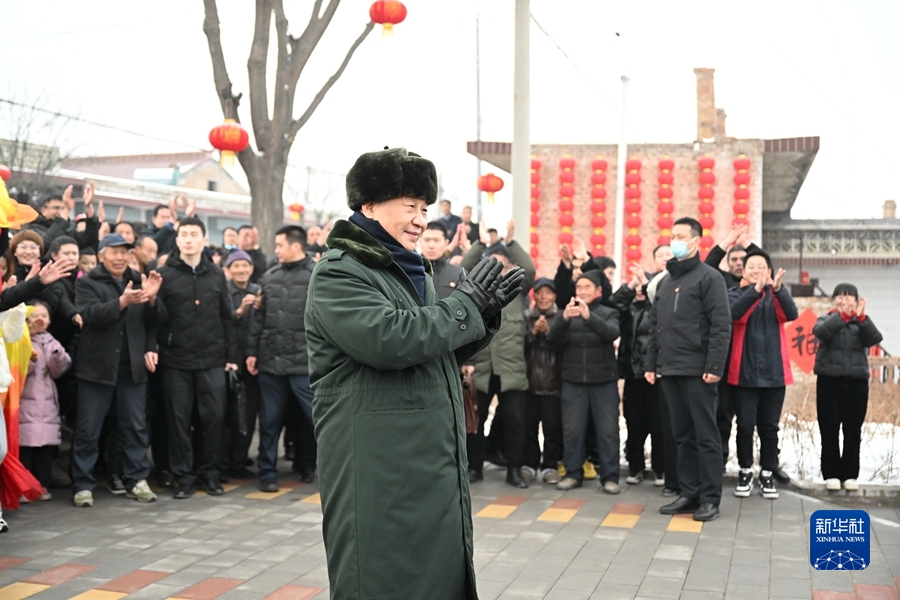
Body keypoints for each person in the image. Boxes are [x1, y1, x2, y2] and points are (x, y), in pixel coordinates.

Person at [306, 147, 523, 599]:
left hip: (426, 457)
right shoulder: (340, 271)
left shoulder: (411, 271)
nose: (421, 220)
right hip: (378, 463)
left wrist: (483, 313)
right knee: (382, 576)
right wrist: (464, 305)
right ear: (368, 205)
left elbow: (432, 346)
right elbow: (390, 340)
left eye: (424, 209)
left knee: (433, 577)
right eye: (410, 207)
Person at [645, 217, 731, 522]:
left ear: (696, 242)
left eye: (680, 236)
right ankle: (689, 492)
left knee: (705, 435)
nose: (674, 241)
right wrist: (652, 364)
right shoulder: (666, 282)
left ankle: (710, 497)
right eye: (672, 236)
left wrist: (714, 366)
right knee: (681, 435)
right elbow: (655, 326)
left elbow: (721, 326)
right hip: (670, 370)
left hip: (699, 371)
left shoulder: (709, 278)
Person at [70, 234, 165, 507]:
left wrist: (154, 300)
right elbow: (90, 316)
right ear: (101, 255)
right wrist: (121, 302)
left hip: (132, 367)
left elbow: (155, 322)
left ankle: (136, 479)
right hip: (96, 368)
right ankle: (83, 484)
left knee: (135, 426)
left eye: (125, 252)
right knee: (88, 429)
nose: (120, 257)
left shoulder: (139, 278)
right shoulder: (87, 282)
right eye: (114, 252)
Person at [157, 217, 239, 499]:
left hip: (212, 359)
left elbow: (227, 316)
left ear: (204, 240)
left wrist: (231, 355)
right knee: (178, 421)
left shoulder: (216, 274)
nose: (189, 239)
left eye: (194, 234)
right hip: (175, 360)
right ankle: (184, 477)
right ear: (177, 239)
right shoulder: (164, 274)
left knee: (214, 418)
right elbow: (155, 319)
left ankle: (211, 474)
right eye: (184, 234)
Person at [246, 225, 316, 491]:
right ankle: (267, 474)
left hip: (304, 363)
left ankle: (314, 466)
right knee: (269, 421)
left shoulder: (315, 276)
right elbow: (258, 319)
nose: (275, 251)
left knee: (316, 420)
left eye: (279, 245)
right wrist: (252, 352)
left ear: (295, 246)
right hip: (271, 362)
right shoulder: (269, 276)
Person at [462, 240, 536, 489]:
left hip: (512, 370)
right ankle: (474, 467)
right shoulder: (476, 292)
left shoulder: (518, 291)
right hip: (480, 369)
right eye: (492, 266)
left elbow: (529, 269)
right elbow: (465, 266)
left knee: (515, 421)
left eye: (503, 267)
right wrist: (480, 243)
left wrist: (512, 242)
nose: (498, 271)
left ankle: (514, 470)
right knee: (475, 420)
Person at [727, 249, 797, 500]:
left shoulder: (775, 294)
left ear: (769, 270)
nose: (756, 270)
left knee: (769, 427)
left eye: (761, 266)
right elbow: (734, 315)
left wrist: (778, 290)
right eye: (752, 266)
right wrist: (755, 291)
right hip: (743, 373)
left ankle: (767, 473)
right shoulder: (735, 293)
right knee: (745, 425)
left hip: (774, 374)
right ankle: (745, 471)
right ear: (743, 271)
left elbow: (791, 314)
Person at [549, 271, 621, 494]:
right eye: (579, 287)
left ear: (598, 291)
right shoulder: (566, 314)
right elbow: (553, 340)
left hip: (604, 382)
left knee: (608, 432)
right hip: (573, 381)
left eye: (587, 287)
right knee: (572, 431)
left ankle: (610, 477)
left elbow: (612, 333)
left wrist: (590, 317)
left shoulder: (609, 313)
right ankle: (573, 474)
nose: (582, 291)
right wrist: (563, 320)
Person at [813, 283, 883, 492]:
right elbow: (822, 333)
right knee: (829, 428)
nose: (845, 300)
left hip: (856, 383)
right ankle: (832, 473)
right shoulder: (826, 319)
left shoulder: (861, 323)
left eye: (849, 296)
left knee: (853, 430)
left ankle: (850, 474)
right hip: (829, 381)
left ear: (857, 300)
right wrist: (842, 316)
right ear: (834, 300)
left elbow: (875, 338)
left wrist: (861, 318)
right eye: (840, 296)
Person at [617, 267, 666, 487]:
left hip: (655, 375)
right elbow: (613, 302)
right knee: (634, 423)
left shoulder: (657, 308)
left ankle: (660, 469)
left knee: (658, 423)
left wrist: (648, 284)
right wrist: (629, 287)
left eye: (643, 284)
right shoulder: (626, 309)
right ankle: (635, 467)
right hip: (632, 375)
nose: (639, 288)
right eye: (635, 284)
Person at [18, 301, 71, 501]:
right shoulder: (22, 339)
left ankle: (42, 485)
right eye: (35, 315)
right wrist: (30, 359)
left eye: (45, 315)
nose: (40, 319)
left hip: (47, 403)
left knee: (44, 451)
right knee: (26, 450)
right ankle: (24, 487)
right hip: (25, 401)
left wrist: (57, 357)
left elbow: (59, 370)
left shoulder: (51, 341)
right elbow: (22, 372)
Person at [222, 251, 261, 480]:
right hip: (229, 362)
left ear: (251, 268)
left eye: (244, 265)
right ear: (228, 269)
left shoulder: (258, 291)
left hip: (253, 363)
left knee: (248, 414)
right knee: (227, 415)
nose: (240, 270)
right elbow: (221, 326)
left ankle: (239, 459)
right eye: (235, 265)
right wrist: (239, 312)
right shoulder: (223, 292)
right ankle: (224, 461)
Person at [523, 278, 563, 485]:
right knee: (529, 428)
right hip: (529, 384)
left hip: (553, 385)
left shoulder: (561, 318)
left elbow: (565, 347)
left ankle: (550, 466)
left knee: (552, 430)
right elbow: (518, 347)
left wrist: (549, 333)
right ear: (534, 296)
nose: (544, 297)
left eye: (549, 293)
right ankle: (529, 464)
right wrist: (533, 333)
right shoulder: (526, 317)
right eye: (540, 293)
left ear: (555, 296)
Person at [420, 221, 464, 298]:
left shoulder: (458, 274)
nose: (431, 245)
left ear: (446, 243)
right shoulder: (408, 272)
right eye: (427, 240)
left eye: (436, 240)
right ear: (420, 242)